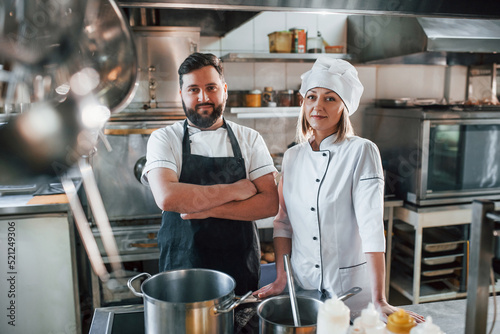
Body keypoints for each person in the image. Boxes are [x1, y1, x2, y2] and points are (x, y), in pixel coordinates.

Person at [253, 56, 423, 322]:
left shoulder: (361, 151)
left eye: (330, 98)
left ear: (345, 107)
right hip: (303, 287)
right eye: (311, 97)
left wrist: (380, 300)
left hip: (349, 290)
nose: (318, 106)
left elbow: (371, 228)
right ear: (303, 102)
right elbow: (283, 223)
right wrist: (281, 279)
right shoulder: (293, 157)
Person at [141, 52, 279, 295]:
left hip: (239, 271)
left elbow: (269, 203)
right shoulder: (164, 138)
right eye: (193, 89)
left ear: (224, 90)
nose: (203, 97)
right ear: (181, 95)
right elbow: (167, 197)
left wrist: (208, 209)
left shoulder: (249, 138)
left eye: (211, 88)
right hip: (181, 272)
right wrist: (235, 190)